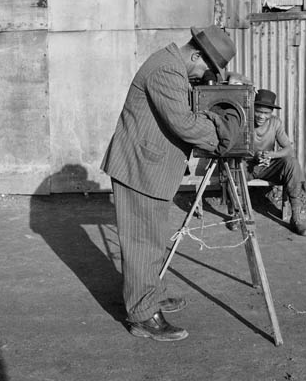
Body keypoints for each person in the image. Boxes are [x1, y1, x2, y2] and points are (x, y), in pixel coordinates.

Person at [100, 25, 247, 342]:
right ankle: (142, 316)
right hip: (140, 168)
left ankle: (151, 292)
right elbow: (184, 124)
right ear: (196, 54)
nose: (205, 76)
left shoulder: (171, 65)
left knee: (153, 238)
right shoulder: (167, 70)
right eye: (206, 69)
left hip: (149, 165)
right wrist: (224, 137)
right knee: (142, 242)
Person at [245, 89, 306, 237]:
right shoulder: (244, 121)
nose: (261, 116)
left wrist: (272, 155)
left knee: (291, 163)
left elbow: (288, 149)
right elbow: (234, 147)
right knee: (233, 166)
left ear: (271, 113)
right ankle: (237, 215)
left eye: (266, 113)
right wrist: (256, 155)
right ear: (253, 108)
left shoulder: (275, 123)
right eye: (258, 111)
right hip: (247, 165)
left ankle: (296, 219)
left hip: (267, 167)